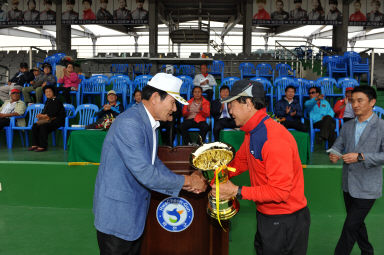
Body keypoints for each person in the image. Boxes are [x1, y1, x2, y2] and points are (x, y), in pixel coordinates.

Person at [93, 73, 207, 255]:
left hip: (132, 215)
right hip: (117, 217)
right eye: (172, 102)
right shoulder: (130, 123)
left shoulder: (148, 122)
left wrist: (184, 183)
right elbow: (146, 173)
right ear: (155, 98)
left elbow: (153, 163)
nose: (175, 109)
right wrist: (188, 181)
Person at [211, 80, 310, 255]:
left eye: (231, 105)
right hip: (267, 214)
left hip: (286, 220)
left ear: (248, 103)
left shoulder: (273, 139)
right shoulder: (253, 132)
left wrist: (236, 191)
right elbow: (239, 164)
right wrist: (213, 178)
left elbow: (279, 192)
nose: (230, 111)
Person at [329, 86, 384, 255]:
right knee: (357, 224)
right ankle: (367, 251)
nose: (355, 104)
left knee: (350, 226)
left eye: (360, 100)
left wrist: (361, 157)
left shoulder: (382, 126)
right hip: (348, 185)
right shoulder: (347, 126)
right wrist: (335, 153)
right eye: (353, 101)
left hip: (368, 187)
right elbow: (338, 144)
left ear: (372, 102)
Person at [29, 85, 65, 152]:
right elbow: (45, 112)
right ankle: (35, 144)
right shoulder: (47, 101)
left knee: (43, 126)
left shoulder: (57, 101)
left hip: (57, 120)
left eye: (49, 91)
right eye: (46, 92)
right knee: (35, 126)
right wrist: (40, 115)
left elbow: (54, 114)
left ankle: (43, 146)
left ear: (53, 92)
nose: (48, 93)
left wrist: (44, 116)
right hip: (48, 120)